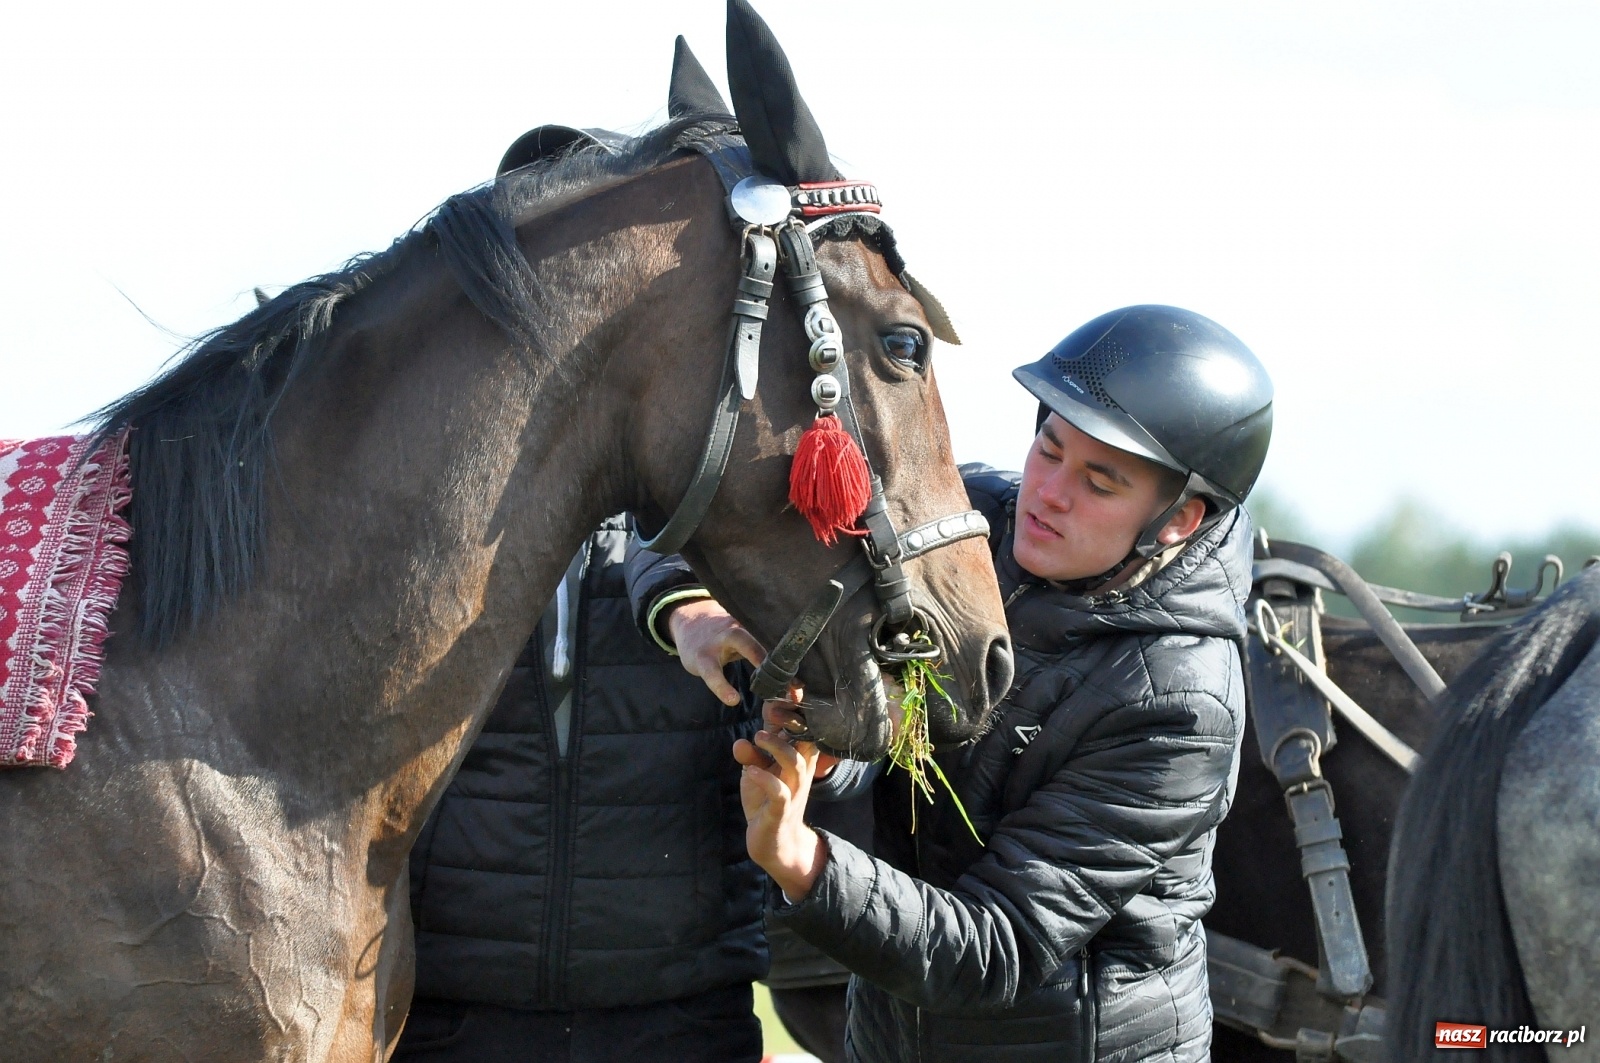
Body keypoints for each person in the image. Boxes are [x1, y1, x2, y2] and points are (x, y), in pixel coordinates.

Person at [651, 305, 1273, 1062]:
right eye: (1049, 449)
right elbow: (711, 513)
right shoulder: (966, 521)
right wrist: (816, 724)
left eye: (1100, 483)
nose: (1047, 492)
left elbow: (995, 946)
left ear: (1179, 519)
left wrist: (802, 861)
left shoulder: (1181, 705)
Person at [395, 516, 766, 1063]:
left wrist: (828, 757)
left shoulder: (729, 516)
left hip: (683, 1014)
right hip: (448, 1006)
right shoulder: (429, 510)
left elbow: (844, 751)